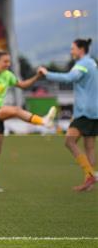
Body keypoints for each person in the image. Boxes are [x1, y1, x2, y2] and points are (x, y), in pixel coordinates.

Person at [0, 48, 56, 192]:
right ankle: (43, 121)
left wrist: (37, 77)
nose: (8, 64)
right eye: (5, 61)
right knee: (15, 110)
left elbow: (23, 85)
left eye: (9, 61)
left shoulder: (8, 75)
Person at [38, 38, 97, 191]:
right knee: (89, 146)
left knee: (69, 141)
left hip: (85, 111)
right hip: (94, 110)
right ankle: (89, 181)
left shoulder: (82, 64)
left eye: (73, 48)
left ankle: (90, 175)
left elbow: (69, 78)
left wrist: (47, 73)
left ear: (81, 49)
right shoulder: (92, 63)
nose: (71, 51)